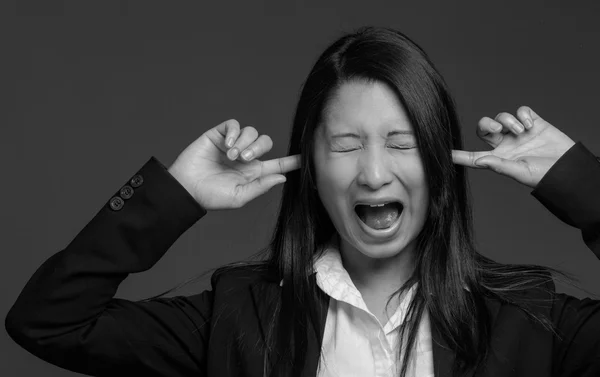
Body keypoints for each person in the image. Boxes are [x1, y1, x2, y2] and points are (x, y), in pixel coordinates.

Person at [5, 26, 600, 377]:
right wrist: (176, 194)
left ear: (442, 166)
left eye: (401, 143)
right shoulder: (239, 320)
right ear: (310, 166)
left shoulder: (526, 321)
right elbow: (49, 322)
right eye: (345, 144)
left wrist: (580, 184)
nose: (372, 173)